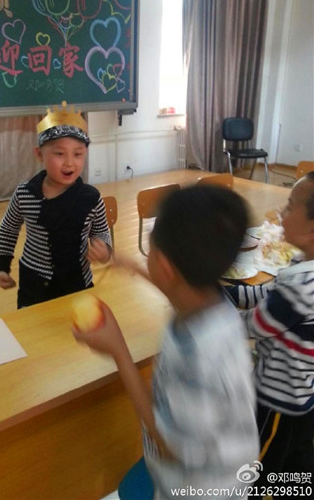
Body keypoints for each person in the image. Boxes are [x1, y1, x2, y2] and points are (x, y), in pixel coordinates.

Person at [73, 185, 259, 499]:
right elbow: (176, 290)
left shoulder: (199, 358)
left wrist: (119, 351)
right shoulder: (211, 303)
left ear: (164, 266)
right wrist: (128, 263)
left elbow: (171, 448)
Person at [225, 172, 314, 498]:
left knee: (258, 463)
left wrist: (204, 308)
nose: (281, 212)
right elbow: (266, 294)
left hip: (278, 398)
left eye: (290, 207)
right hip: (304, 394)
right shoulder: (302, 270)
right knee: (297, 460)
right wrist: (229, 294)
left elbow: (252, 326)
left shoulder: (300, 287)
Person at [0, 102, 111, 308]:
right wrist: (1, 265)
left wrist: (104, 249)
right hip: (34, 284)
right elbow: (8, 228)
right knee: (34, 325)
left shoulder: (91, 198)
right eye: (59, 154)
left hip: (76, 282)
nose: (69, 162)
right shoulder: (25, 193)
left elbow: (101, 231)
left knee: (77, 323)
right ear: (40, 154)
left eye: (77, 154)